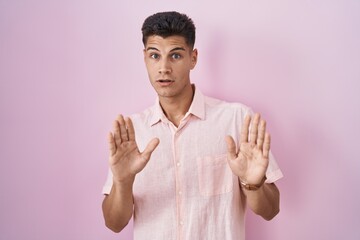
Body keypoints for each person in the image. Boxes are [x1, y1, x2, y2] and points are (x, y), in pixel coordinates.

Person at [102, 11, 283, 240]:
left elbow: (271, 210)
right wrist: (123, 182)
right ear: (145, 58)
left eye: (175, 56)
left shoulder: (236, 119)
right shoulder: (131, 133)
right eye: (155, 55)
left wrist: (254, 184)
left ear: (193, 58)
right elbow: (114, 223)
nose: (164, 68)